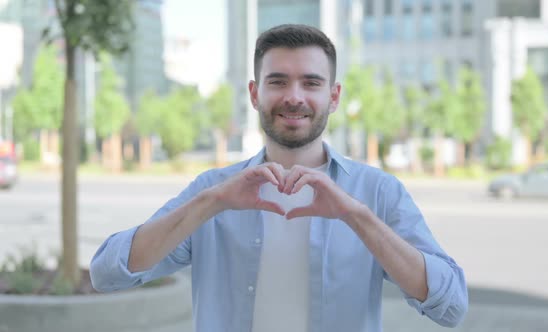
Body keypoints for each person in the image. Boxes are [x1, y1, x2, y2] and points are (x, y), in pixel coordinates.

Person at [90, 24, 468, 331]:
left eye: (311, 83)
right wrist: (214, 203)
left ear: (334, 97)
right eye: (278, 82)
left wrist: (357, 216)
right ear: (255, 94)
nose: (294, 96)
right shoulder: (212, 191)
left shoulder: (377, 192)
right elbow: (107, 273)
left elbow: (451, 307)